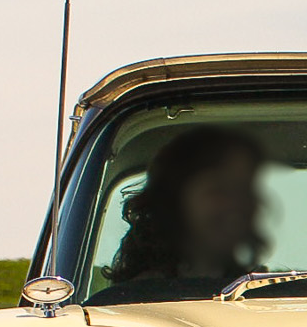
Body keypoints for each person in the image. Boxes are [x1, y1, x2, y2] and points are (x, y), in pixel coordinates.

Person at [90, 127, 266, 304]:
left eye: (245, 190)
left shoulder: (265, 296)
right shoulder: (128, 303)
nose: (237, 204)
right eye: (219, 190)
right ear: (174, 200)